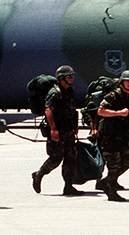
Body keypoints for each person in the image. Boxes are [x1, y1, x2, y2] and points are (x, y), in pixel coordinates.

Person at [31, 65, 83, 197]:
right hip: (58, 130)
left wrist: (75, 126)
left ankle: (68, 186)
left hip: (68, 130)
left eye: (72, 76)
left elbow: (72, 109)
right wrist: (53, 129)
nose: (72, 79)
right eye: (69, 76)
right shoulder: (55, 92)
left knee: (71, 158)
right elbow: (48, 110)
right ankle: (39, 174)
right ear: (61, 78)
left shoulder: (69, 91)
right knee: (56, 158)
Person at [96, 70, 129, 201]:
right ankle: (111, 190)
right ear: (122, 82)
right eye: (127, 81)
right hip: (111, 136)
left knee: (127, 162)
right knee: (114, 165)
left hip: (123, 134)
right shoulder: (113, 95)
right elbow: (101, 111)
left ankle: (106, 182)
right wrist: (119, 113)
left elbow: (128, 113)